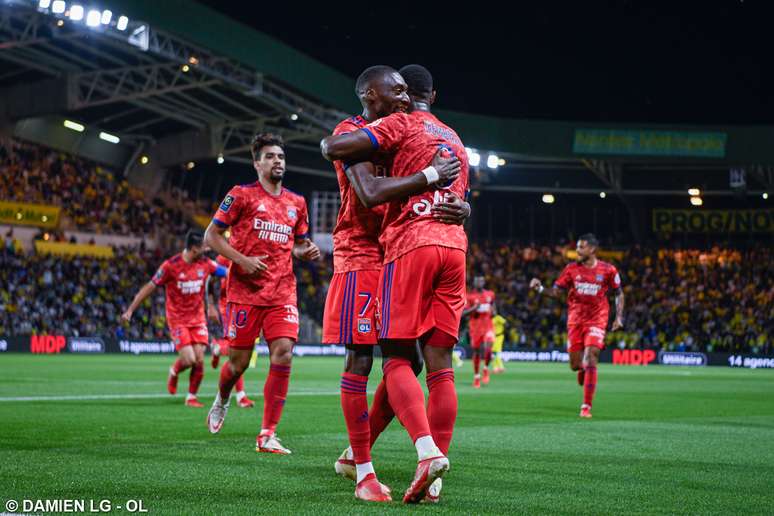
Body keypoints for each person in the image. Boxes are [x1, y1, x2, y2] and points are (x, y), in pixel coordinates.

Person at [321, 64, 469, 504]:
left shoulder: (402, 129)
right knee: (363, 360)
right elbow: (367, 192)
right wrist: (429, 179)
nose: (404, 97)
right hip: (362, 253)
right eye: (396, 90)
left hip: (400, 250)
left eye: (407, 91)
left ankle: (358, 456)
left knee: (407, 359)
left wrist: (459, 205)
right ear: (371, 93)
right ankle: (365, 473)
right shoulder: (355, 130)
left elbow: (448, 184)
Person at [204, 133, 320, 454]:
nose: (277, 161)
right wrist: (241, 261)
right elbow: (211, 236)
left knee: (283, 353)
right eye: (270, 156)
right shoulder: (240, 196)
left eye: (280, 156)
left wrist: (304, 250)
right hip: (244, 293)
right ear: (257, 164)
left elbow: (295, 243)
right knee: (237, 365)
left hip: (283, 293)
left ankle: (267, 433)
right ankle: (223, 397)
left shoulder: (297, 203)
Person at [122, 230, 226, 407]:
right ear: (193, 249)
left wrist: (248, 267)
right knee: (189, 360)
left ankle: (191, 397)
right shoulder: (170, 266)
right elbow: (150, 286)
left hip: (198, 318)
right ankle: (174, 370)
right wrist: (130, 310)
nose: (207, 249)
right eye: (203, 247)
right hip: (177, 318)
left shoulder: (206, 263)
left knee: (199, 358)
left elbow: (227, 272)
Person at [529, 234, 625, 418]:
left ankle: (586, 406)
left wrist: (618, 317)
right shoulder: (571, 269)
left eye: (581, 248)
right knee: (575, 365)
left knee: (591, 357)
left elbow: (619, 293)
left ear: (592, 250)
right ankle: (581, 369)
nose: (577, 251)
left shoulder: (608, 270)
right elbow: (556, 293)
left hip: (598, 319)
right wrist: (540, 289)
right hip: (575, 320)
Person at [210, 254, 255, 409]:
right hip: (229, 304)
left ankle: (218, 348)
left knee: (245, 352)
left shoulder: (255, 247)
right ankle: (240, 395)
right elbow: (211, 277)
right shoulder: (224, 255)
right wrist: (210, 305)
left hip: (251, 303)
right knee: (238, 349)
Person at [462, 275, 497, 388]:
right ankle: (477, 377)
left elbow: (494, 310)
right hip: (475, 328)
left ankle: (486, 369)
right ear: (474, 283)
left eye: (481, 281)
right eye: (477, 281)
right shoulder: (469, 296)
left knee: (488, 347)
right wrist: (475, 308)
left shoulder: (490, 294)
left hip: (488, 326)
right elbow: (463, 313)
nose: (479, 283)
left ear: (484, 282)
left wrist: (493, 311)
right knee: (476, 352)